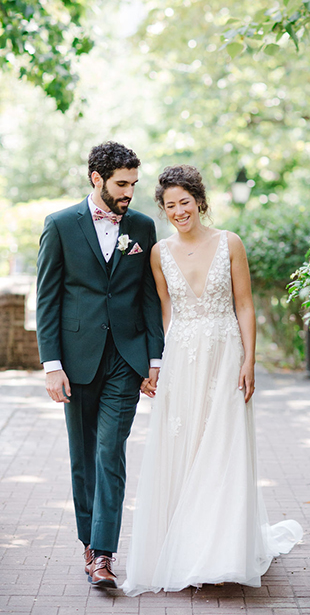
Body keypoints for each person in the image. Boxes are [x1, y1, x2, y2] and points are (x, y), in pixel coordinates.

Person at [122, 164, 302, 595]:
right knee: (185, 448)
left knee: (223, 447)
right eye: (170, 206)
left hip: (225, 355)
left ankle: (221, 552)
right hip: (182, 357)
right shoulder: (158, 253)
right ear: (163, 211)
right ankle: (184, 550)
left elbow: (244, 305)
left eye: (185, 202)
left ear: (198, 201)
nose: (179, 211)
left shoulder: (229, 243)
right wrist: (157, 365)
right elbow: (165, 313)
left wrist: (250, 359)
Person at [36, 141, 164, 590]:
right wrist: (51, 363)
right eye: (122, 184)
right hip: (76, 360)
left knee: (111, 452)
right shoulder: (59, 225)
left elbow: (150, 295)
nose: (129, 192)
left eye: (134, 183)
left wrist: (154, 358)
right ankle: (88, 544)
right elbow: (48, 299)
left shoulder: (144, 227)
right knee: (82, 456)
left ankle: (104, 554)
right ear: (97, 179)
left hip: (125, 361)